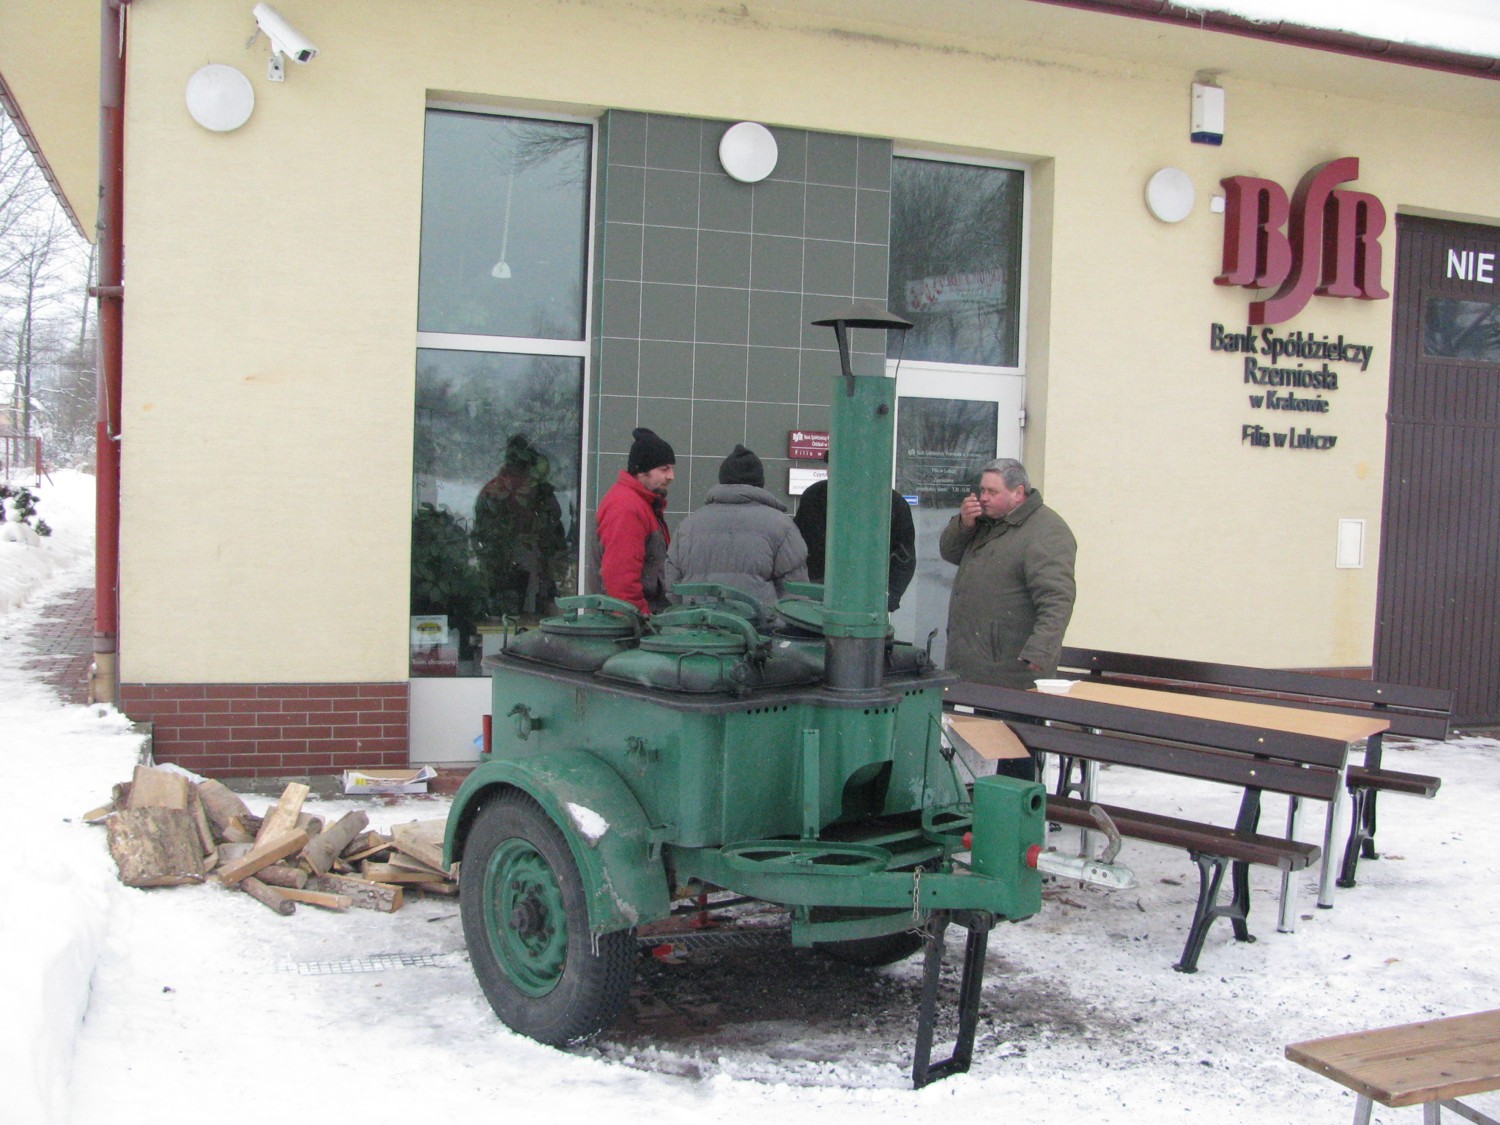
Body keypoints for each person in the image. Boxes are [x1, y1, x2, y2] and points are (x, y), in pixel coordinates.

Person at [940, 457, 1076, 689]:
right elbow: (950, 553)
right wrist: (964, 525)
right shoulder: (984, 522)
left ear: (1018, 493)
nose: (983, 498)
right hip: (969, 663)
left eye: (992, 492)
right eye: (982, 490)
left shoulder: (1046, 531)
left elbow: (1057, 599)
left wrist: (1040, 650)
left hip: (1010, 670)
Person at [665, 444, 808, 610]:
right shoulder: (782, 527)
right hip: (757, 625)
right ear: (760, 483)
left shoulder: (687, 526)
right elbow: (795, 593)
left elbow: (673, 586)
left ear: (723, 480)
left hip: (699, 622)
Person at [793, 467, 916, 612]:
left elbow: (904, 559)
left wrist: (888, 597)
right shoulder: (814, 496)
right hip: (817, 599)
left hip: (866, 603)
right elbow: (796, 548)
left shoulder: (891, 503)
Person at [472, 434, 568, 618]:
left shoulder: (541, 494)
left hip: (537, 566)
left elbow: (555, 532)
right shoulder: (494, 492)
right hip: (504, 568)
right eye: (515, 465)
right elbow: (482, 537)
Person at [589, 427, 675, 615]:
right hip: (626, 623)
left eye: (671, 468)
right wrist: (644, 622)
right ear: (641, 471)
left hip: (629, 619)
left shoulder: (639, 504)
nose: (671, 476)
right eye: (664, 469)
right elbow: (621, 581)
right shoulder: (627, 508)